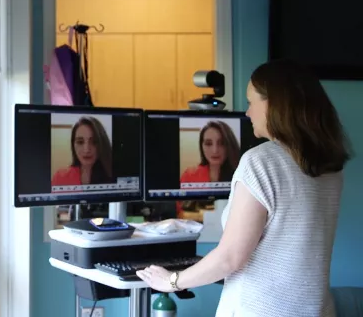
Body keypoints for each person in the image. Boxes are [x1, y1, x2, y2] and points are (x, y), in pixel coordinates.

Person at [136, 59, 351, 317]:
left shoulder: (261, 161)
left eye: (251, 103)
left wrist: (171, 281)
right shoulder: (330, 165)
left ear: (273, 104)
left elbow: (230, 257)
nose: (247, 113)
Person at [178, 121, 241, 220]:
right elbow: (178, 212)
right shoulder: (189, 175)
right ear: (201, 146)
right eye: (208, 143)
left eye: (222, 143)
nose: (215, 150)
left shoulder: (241, 174)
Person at [51, 116, 113, 187]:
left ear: (102, 144)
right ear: (73, 145)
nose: (86, 150)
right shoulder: (59, 177)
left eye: (94, 142)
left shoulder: (113, 176)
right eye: (80, 142)